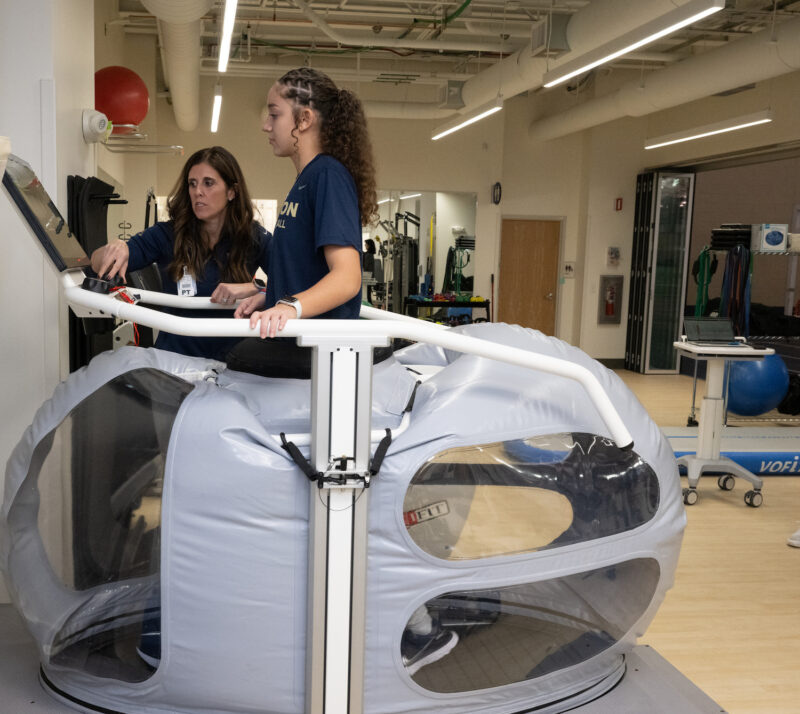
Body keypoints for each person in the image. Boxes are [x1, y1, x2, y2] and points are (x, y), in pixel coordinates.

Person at [228, 67, 378, 377]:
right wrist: (270, 298)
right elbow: (305, 270)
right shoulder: (306, 180)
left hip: (319, 356)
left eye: (274, 115)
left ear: (304, 119)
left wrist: (289, 308)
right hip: (299, 346)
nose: (265, 126)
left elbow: (348, 278)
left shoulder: (327, 176)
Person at [90, 146, 270, 361]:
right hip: (175, 359)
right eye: (192, 184)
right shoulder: (168, 234)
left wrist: (253, 288)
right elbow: (97, 262)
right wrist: (116, 247)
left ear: (232, 191)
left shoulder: (252, 237)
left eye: (208, 183)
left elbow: (293, 284)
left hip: (232, 362)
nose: (197, 191)